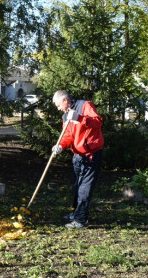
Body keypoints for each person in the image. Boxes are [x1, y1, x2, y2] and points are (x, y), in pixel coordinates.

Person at [51, 90, 104, 229]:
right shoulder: (65, 116)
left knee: (84, 189)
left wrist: (79, 118)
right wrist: (60, 146)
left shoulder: (85, 105)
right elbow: (67, 136)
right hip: (77, 156)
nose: (58, 108)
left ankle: (81, 220)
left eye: (58, 105)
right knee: (76, 187)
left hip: (91, 155)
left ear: (64, 100)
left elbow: (98, 122)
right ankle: (76, 213)